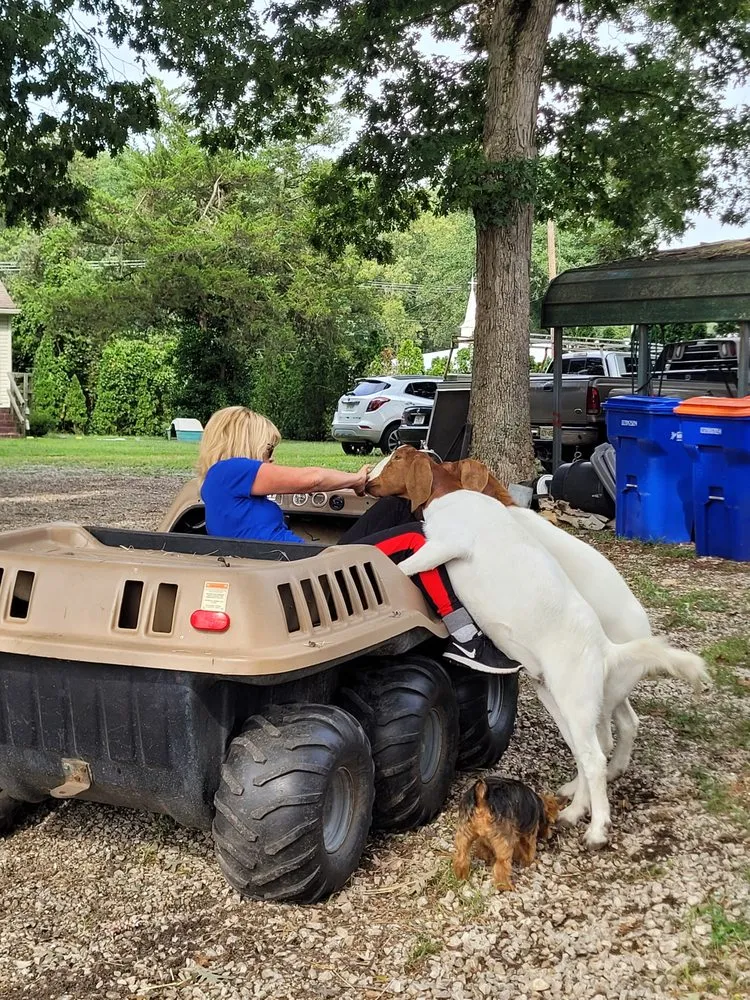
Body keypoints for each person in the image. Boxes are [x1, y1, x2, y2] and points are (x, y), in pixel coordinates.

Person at [198, 406, 516, 672]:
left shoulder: (220, 486)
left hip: (305, 564)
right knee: (416, 539)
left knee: (396, 506)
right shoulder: (229, 471)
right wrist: (356, 480)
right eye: (268, 451)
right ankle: (466, 637)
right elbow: (312, 480)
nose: (271, 461)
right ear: (242, 442)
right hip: (307, 569)